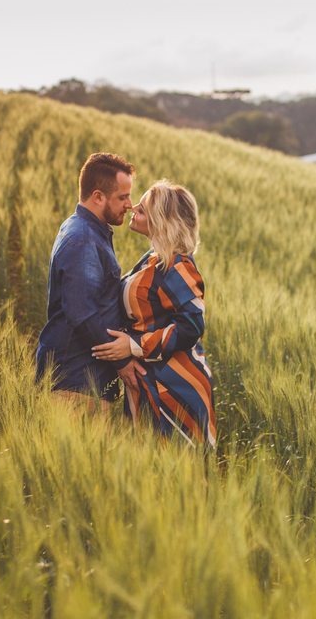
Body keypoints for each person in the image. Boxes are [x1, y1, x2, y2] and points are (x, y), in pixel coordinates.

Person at [92, 180, 216, 447]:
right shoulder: (153, 258)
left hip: (176, 389)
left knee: (177, 468)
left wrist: (134, 345)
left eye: (143, 208)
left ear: (162, 221)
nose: (133, 208)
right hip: (149, 384)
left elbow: (192, 326)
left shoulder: (178, 265)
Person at [35, 153, 147, 411]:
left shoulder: (85, 230)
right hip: (76, 383)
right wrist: (121, 362)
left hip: (82, 381)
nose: (130, 204)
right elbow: (83, 314)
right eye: (122, 197)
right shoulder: (84, 240)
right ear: (98, 196)